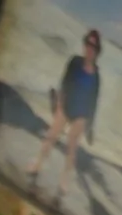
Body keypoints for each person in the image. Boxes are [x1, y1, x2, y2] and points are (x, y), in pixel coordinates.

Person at [30, 28, 105, 189]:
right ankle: (36, 166)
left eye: (94, 46)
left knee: (71, 149)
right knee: (51, 136)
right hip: (67, 105)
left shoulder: (97, 76)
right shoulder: (75, 61)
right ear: (84, 44)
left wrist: (90, 127)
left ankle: (63, 183)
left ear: (97, 51)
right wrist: (58, 105)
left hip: (81, 114)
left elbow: (94, 102)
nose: (90, 48)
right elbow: (64, 83)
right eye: (88, 44)